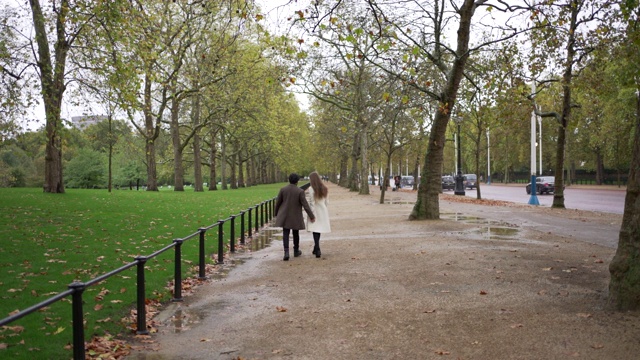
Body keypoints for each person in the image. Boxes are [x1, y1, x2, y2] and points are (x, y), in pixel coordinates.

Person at [275, 173, 315, 261]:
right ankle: (296, 250)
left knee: (285, 233)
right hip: (295, 215)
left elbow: (278, 203)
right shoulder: (300, 191)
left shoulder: (283, 189)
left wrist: (276, 213)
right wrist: (311, 215)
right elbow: (305, 205)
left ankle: (286, 252)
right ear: (297, 181)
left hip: (285, 215)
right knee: (295, 234)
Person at [305, 172, 331, 258]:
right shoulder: (324, 188)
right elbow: (327, 202)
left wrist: (311, 214)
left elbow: (311, 203)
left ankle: (317, 247)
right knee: (318, 229)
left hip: (315, 210)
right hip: (322, 210)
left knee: (315, 229)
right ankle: (316, 248)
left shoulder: (311, 189)